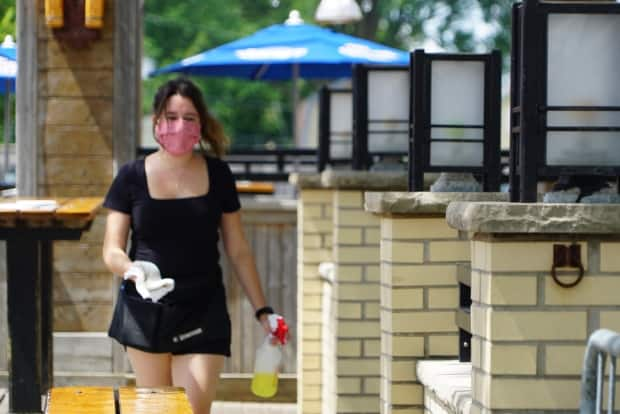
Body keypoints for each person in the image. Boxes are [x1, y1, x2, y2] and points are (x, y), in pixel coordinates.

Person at [102, 77, 284, 414]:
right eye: (171, 117)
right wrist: (133, 271)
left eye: (189, 118)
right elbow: (111, 249)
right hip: (147, 310)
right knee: (158, 410)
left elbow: (238, 249)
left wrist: (263, 311)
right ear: (156, 121)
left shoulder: (218, 174)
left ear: (201, 124)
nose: (179, 126)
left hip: (204, 308)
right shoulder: (130, 176)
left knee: (191, 409)